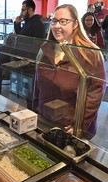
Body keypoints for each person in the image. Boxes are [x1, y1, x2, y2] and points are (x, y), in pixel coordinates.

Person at [33, 4, 106, 140]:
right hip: (45, 119)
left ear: (75, 24)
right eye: (54, 21)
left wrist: (79, 125)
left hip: (70, 127)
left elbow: (95, 92)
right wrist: (34, 110)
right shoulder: (46, 48)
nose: (57, 26)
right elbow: (37, 84)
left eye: (63, 21)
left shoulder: (90, 53)